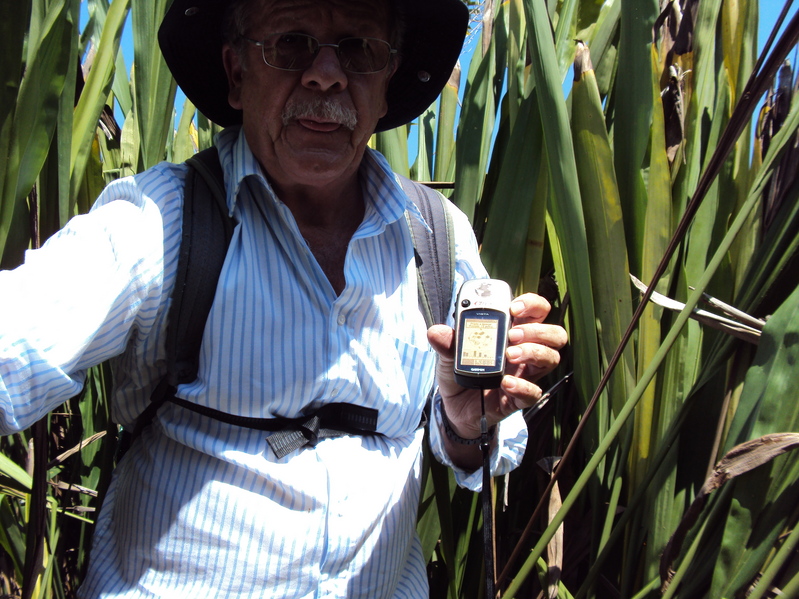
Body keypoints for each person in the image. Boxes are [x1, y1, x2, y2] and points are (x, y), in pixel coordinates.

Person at [0, 0, 568, 596]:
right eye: (291, 44)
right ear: (237, 72)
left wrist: (463, 420)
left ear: (389, 79)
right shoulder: (164, 221)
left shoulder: (435, 237)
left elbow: (472, 449)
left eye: (359, 49)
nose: (326, 75)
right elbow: (21, 333)